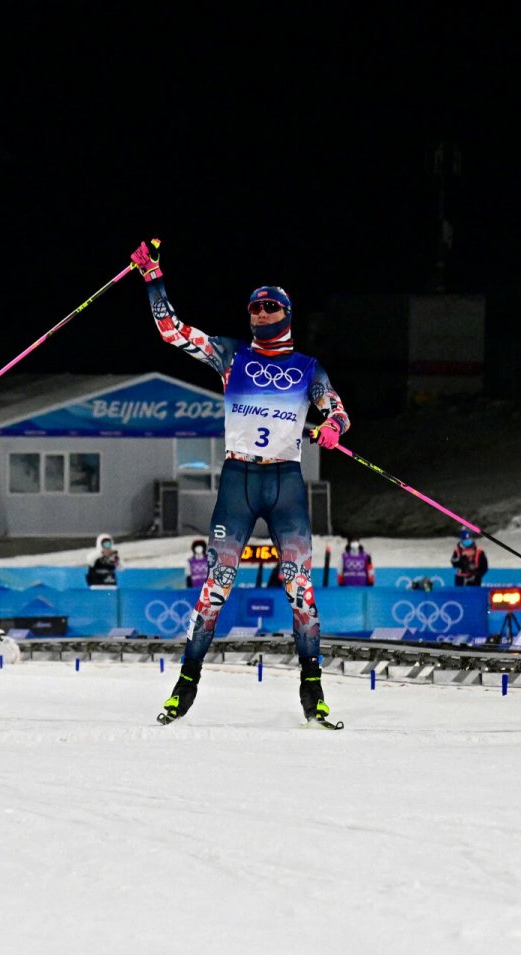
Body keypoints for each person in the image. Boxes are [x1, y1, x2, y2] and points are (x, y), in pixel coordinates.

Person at [131, 239, 351, 725]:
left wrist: (333, 425)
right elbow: (172, 332)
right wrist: (153, 278)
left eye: (270, 305)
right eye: (254, 305)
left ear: (287, 313)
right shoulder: (231, 356)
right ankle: (185, 684)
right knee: (217, 585)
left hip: (285, 485)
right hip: (238, 481)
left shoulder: (306, 368)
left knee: (300, 587)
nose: (260, 311)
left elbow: (334, 406)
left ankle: (312, 687)